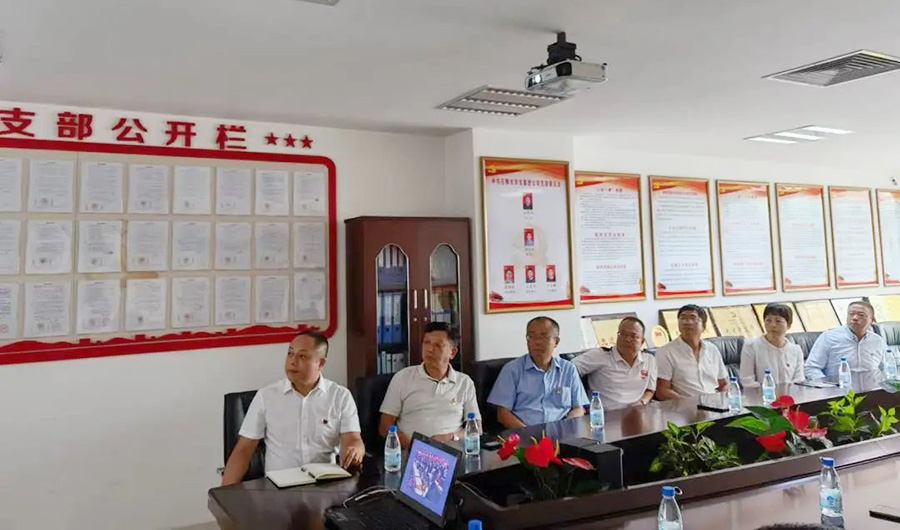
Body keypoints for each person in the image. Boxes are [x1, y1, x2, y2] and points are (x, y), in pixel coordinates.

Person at [221, 332, 364, 486]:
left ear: (320, 363)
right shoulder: (267, 396)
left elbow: (353, 439)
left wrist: (355, 449)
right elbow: (243, 449)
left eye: (302, 356)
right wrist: (225, 492)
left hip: (324, 486)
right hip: (279, 489)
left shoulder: (340, 396)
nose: (292, 361)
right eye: (290, 354)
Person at [379, 322, 480, 448]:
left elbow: (477, 428)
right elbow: (384, 426)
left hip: (453, 451)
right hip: (412, 450)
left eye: (438, 345)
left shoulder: (464, 382)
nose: (430, 349)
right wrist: (411, 445)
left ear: (452, 353)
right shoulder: (403, 378)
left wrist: (451, 437)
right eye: (426, 343)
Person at [488, 316, 590, 428]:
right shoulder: (512, 370)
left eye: (543, 337)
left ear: (556, 341)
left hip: (562, 432)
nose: (537, 342)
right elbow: (503, 414)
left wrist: (565, 428)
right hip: (525, 433)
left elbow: (578, 408)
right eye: (531, 337)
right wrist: (528, 433)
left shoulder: (568, 369)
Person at [573, 317, 657, 408]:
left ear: (642, 341)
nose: (627, 339)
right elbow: (568, 370)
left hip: (637, 411)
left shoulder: (649, 360)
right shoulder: (601, 355)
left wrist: (642, 402)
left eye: (633, 336)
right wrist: (578, 404)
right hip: (605, 413)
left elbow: (650, 390)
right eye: (623, 334)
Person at [656, 305, 728, 400]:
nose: (687, 322)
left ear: (704, 326)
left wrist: (722, 400)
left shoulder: (712, 349)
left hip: (716, 403)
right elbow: (662, 391)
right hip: (685, 405)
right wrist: (689, 403)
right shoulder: (666, 352)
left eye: (693, 318)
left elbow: (724, 384)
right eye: (683, 318)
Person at [804, 301, 887, 380]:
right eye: (851, 314)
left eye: (861, 315)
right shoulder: (829, 337)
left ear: (872, 320)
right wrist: (826, 385)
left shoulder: (878, 341)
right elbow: (811, 368)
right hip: (837, 387)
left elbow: (885, 368)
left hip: (872, 387)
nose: (854, 318)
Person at [739, 303, 805, 386]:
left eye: (778, 321)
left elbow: (799, 380)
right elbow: (747, 381)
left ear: (788, 325)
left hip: (791, 393)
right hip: (761, 393)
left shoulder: (795, 350)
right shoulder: (751, 346)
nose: (773, 325)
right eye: (768, 320)